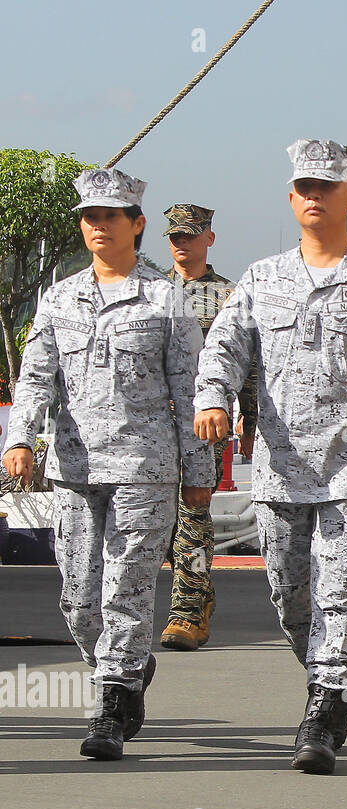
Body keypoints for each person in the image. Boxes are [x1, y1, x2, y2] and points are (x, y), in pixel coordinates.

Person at [194, 139, 347, 774]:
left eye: (326, 187)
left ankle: (326, 704)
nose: (313, 197)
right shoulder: (261, 279)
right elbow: (224, 345)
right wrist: (213, 395)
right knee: (289, 597)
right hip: (279, 467)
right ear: (291, 197)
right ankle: (334, 677)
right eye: (303, 186)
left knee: (342, 592)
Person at [3, 167, 214, 759]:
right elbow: (36, 377)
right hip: (74, 467)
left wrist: (198, 473)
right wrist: (20, 441)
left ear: (136, 224)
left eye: (111, 218)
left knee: (126, 586)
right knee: (76, 596)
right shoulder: (59, 296)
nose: (99, 226)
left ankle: (113, 703)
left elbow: (191, 387)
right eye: (90, 217)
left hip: (144, 467)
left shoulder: (165, 296)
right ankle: (124, 663)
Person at [158, 202, 258, 652]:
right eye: (175, 236)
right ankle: (199, 593)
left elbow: (250, 362)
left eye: (191, 235)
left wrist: (250, 418)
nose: (182, 243)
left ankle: (189, 613)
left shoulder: (229, 296)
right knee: (153, 522)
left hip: (201, 422)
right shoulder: (149, 291)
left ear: (209, 238)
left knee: (193, 516)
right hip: (149, 425)